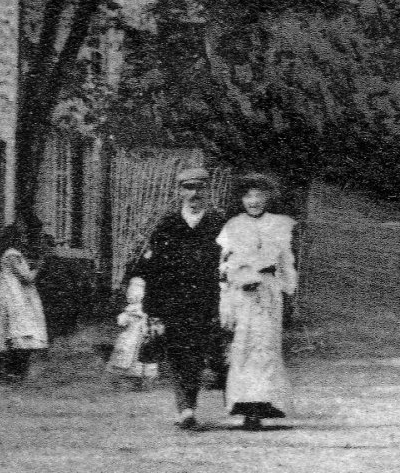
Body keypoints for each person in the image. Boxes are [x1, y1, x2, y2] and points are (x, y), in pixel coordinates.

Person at [125, 167, 227, 430]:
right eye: (189, 188)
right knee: (178, 354)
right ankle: (186, 408)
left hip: (209, 300)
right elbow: (153, 268)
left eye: (200, 188)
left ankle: (206, 406)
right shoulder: (167, 224)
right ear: (180, 192)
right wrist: (152, 309)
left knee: (204, 353)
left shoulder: (219, 223)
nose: (194, 194)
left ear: (208, 191)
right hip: (174, 301)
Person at [217, 173, 298, 431]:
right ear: (241, 199)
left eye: (259, 195)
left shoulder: (280, 224)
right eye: (248, 195)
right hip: (243, 293)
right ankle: (245, 405)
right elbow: (224, 264)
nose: (254, 201)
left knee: (267, 345)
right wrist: (233, 286)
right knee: (243, 346)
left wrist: (288, 288)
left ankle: (267, 403)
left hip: (269, 292)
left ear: (268, 198)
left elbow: (286, 260)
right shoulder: (233, 226)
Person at [0, 218, 49, 380]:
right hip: (15, 295)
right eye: (22, 236)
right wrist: (39, 265)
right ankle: (14, 369)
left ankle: (14, 369)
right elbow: (27, 278)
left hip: (14, 293)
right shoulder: (12, 255)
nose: (25, 239)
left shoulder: (13, 255)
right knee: (19, 329)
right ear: (16, 238)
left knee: (16, 329)